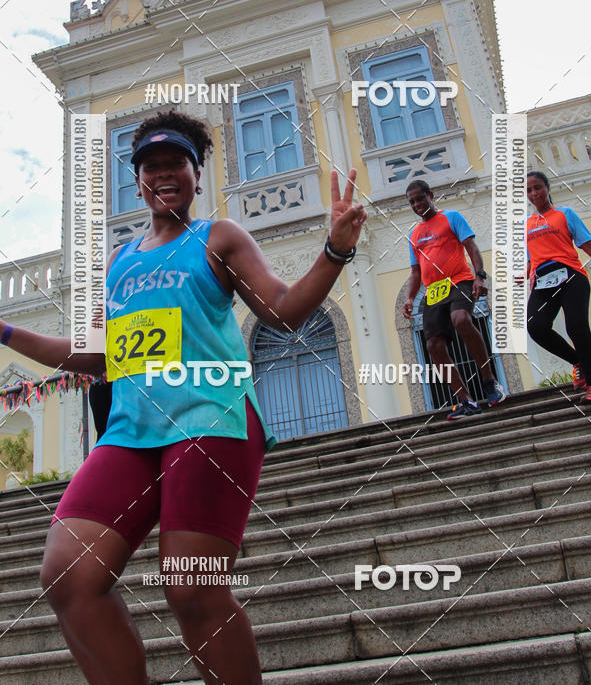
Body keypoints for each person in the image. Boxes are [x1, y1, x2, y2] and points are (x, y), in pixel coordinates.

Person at [0, 108, 367, 685]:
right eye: (150, 166)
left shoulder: (218, 237)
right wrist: (3, 331)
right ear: (137, 179)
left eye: (178, 163)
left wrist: (334, 251)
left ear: (198, 174)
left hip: (211, 418)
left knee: (192, 586)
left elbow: (284, 312)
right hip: (131, 431)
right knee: (67, 574)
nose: (163, 174)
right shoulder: (121, 262)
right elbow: (89, 354)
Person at [401, 179, 506, 420]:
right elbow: (416, 271)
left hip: (460, 280)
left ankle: (490, 381)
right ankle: (465, 400)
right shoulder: (414, 235)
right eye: (412, 202)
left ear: (431, 195)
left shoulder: (452, 217)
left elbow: (472, 247)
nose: (417, 204)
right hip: (434, 291)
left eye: (420, 198)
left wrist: (480, 276)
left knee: (461, 320)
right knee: (433, 346)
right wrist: (409, 298)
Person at [526, 170, 591, 402]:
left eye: (537, 187)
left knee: (576, 327)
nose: (533, 193)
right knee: (535, 326)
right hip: (543, 281)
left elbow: (589, 246)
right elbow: (530, 258)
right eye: (528, 190)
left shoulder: (564, 214)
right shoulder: (526, 224)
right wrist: (528, 274)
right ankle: (577, 361)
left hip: (571, 276)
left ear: (547, 188)